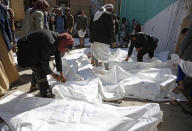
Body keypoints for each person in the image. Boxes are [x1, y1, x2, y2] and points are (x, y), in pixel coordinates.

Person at [17, 29, 74, 97]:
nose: (64, 51)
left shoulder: (60, 39)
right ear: (63, 44)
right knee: (40, 68)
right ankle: (45, 93)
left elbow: (57, 57)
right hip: (27, 51)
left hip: (36, 49)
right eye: (66, 49)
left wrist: (61, 73)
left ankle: (33, 86)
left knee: (38, 64)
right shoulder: (50, 43)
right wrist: (53, 75)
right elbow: (45, 62)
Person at [0, 0, 19, 96]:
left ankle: (12, 79)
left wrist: (12, 40)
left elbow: (9, 27)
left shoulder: (3, 9)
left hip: (3, 38)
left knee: (8, 60)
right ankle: (1, 87)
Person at [90, 4, 116, 70]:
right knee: (105, 54)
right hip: (104, 39)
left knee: (96, 53)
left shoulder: (96, 14)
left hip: (95, 38)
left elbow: (91, 27)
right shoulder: (108, 15)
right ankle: (106, 68)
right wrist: (113, 40)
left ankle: (96, 66)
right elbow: (111, 29)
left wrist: (92, 38)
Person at [173, 23, 192, 104]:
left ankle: (181, 83)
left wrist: (180, 53)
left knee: (181, 66)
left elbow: (187, 39)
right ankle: (190, 99)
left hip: (189, 56)